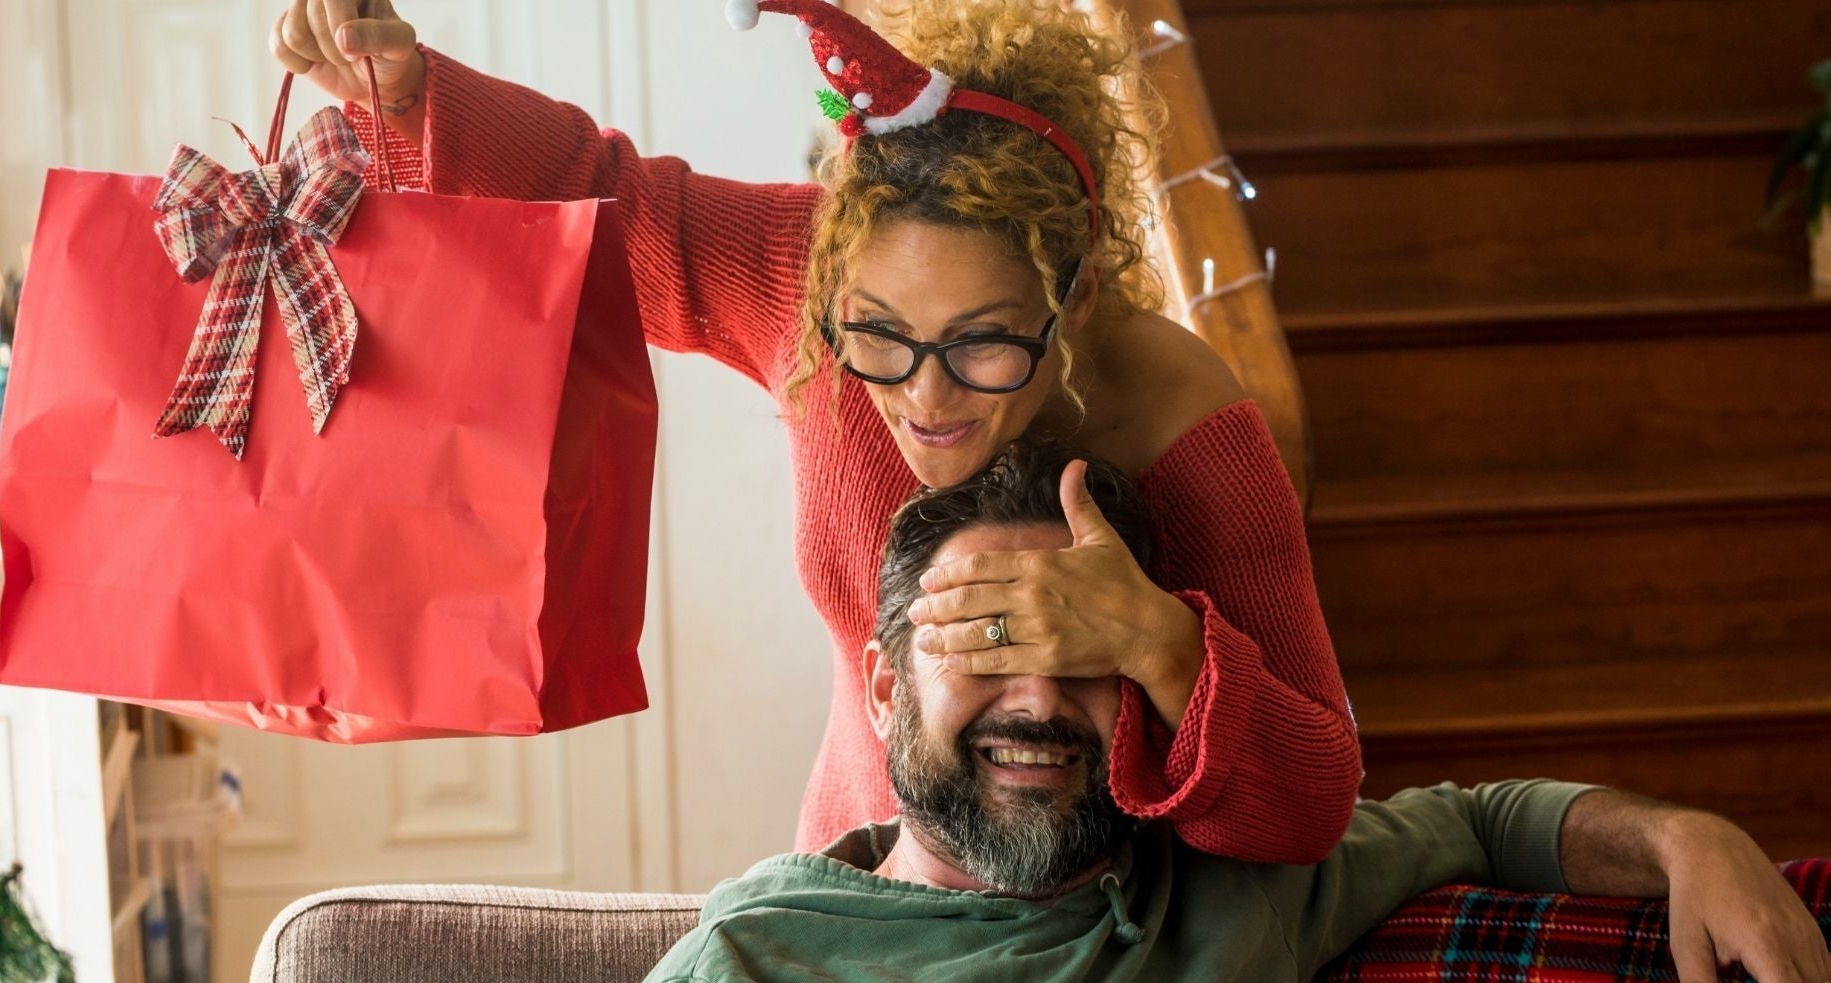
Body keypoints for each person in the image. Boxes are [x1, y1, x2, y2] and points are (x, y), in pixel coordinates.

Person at [570, 439, 1831, 983]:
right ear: (885, 690)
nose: (1038, 701)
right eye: (989, 645)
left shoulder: (1232, 890)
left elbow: (1477, 816)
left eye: (1087, 656)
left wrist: (1679, 836)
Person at [271, 0, 1363, 859]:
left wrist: (1158, 645)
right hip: (858, 885)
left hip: (1094, 954)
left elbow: (1312, 801)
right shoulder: (803, 285)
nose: (924, 400)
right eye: (878, 336)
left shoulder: (1183, 421)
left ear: (1073, 301)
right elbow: (601, 198)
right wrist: (405, 93)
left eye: (982, 345)